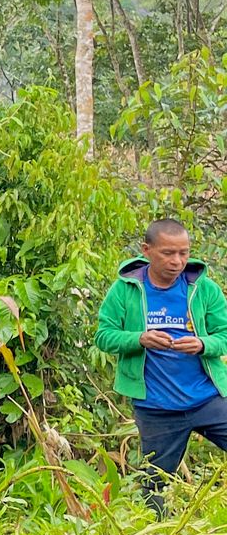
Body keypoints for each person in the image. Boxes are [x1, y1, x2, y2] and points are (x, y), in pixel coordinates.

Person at [95, 218, 227, 516]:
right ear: (147, 250)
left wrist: (203, 344)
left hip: (208, 398)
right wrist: (138, 338)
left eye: (184, 252)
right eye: (168, 253)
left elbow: (225, 335)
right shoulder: (125, 290)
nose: (178, 261)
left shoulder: (203, 289)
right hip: (156, 407)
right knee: (155, 483)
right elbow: (103, 336)